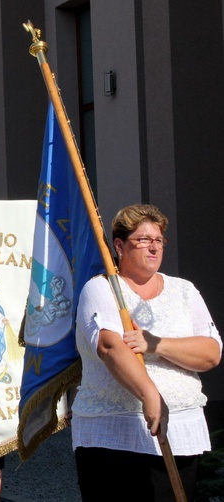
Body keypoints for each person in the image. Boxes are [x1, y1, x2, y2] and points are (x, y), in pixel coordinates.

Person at [72, 203, 221, 500]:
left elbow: (210, 352)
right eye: (143, 240)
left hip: (180, 433)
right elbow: (111, 346)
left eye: (158, 240)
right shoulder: (100, 289)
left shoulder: (184, 290)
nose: (153, 248)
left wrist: (156, 344)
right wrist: (150, 395)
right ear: (119, 245)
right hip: (115, 437)